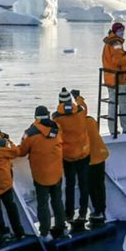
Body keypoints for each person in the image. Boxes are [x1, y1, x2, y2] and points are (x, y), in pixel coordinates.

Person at [19, 106, 67, 241]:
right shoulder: (56, 129)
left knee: (43, 204)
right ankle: (62, 227)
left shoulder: (30, 133)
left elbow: (22, 151)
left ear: (35, 117)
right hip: (57, 172)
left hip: (41, 175)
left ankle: (45, 233)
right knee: (57, 201)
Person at [52, 89, 90, 223]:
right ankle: (83, 213)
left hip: (67, 156)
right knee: (84, 184)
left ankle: (69, 214)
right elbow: (84, 106)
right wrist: (77, 97)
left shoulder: (56, 117)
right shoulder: (81, 111)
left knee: (70, 185)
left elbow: (55, 133)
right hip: (83, 153)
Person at [102, 22, 126, 135]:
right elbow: (118, 60)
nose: (122, 33)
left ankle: (112, 129)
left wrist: (124, 55)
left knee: (112, 104)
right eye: (120, 31)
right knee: (123, 104)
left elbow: (114, 58)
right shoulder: (117, 43)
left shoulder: (108, 43)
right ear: (115, 31)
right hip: (118, 79)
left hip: (110, 79)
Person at [86, 116, 109, 221]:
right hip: (101, 155)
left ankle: (98, 211)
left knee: (92, 187)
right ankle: (102, 211)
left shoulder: (76, 125)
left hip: (90, 159)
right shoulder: (90, 120)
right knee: (100, 185)